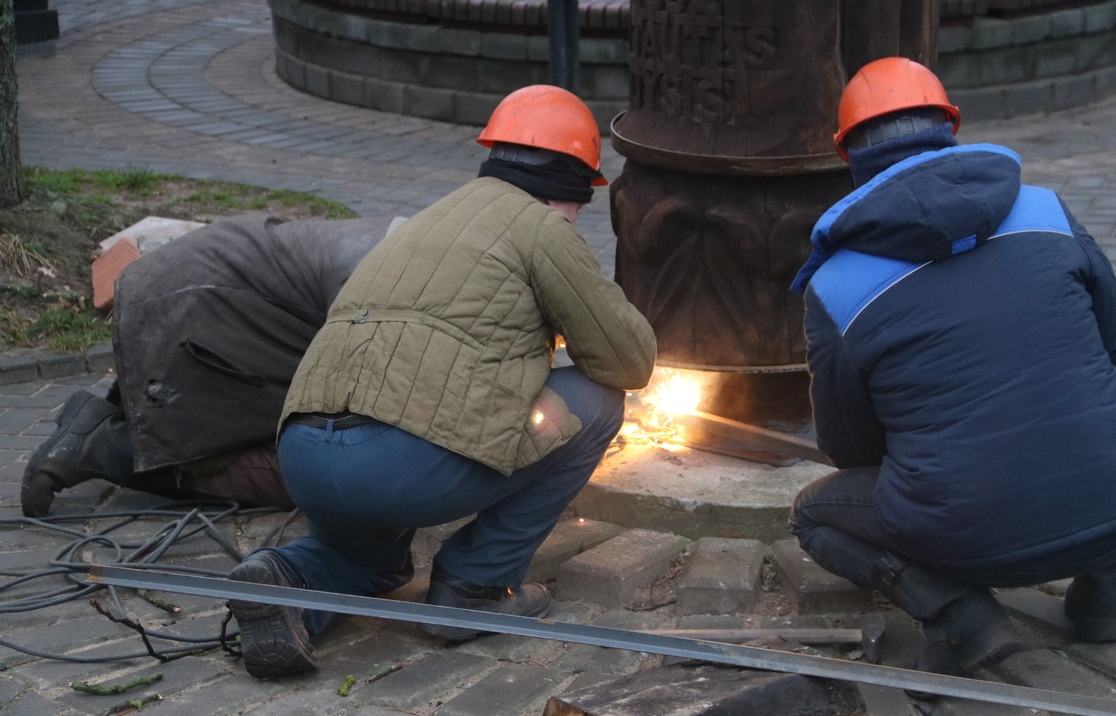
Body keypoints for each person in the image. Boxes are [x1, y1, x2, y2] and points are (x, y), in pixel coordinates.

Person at [225, 85, 657, 679]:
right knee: (598, 399)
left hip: (304, 457)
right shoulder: (542, 227)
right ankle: (473, 587)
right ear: (573, 184)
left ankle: (288, 583)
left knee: (373, 562)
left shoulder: (428, 220)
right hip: (398, 468)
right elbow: (628, 360)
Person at [788, 57, 1116, 678]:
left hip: (970, 544)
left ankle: (962, 618)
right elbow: (1114, 350)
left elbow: (848, 446)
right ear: (950, 125)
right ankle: (1106, 587)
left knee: (815, 513)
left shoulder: (836, 285)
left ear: (846, 153)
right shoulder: (1046, 211)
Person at [20, 214, 403, 516]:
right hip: (196, 315)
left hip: (196, 293)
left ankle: (135, 422)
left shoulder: (425, 238)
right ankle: (108, 446)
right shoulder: (401, 288)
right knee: (340, 473)